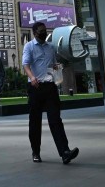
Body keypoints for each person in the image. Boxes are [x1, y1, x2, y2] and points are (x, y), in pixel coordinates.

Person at [22, 21, 79, 165]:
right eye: (41, 31)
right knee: (35, 122)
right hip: (35, 87)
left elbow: (53, 64)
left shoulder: (51, 47)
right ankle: (36, 152)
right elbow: (25, 65)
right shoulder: (29, 46)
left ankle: (65, 152)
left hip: (50, 87)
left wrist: (57, 68)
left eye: (45, 30)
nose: (44, 33)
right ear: (35, 33)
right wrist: (32, 77)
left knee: (55, 120)